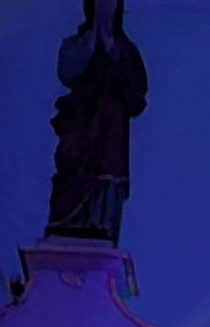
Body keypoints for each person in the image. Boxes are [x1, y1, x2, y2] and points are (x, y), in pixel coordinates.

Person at [45, 0, 147, 244]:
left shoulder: (126, 52)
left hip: (110, 134)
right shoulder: (74, 45)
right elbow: (68, 72)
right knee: (73, 174)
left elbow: (137, 97)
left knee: (105, 181)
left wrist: (112, 47)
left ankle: (99, 226)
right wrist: (92, 42)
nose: (104, 9)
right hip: (81, 126)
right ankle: (68, 226)